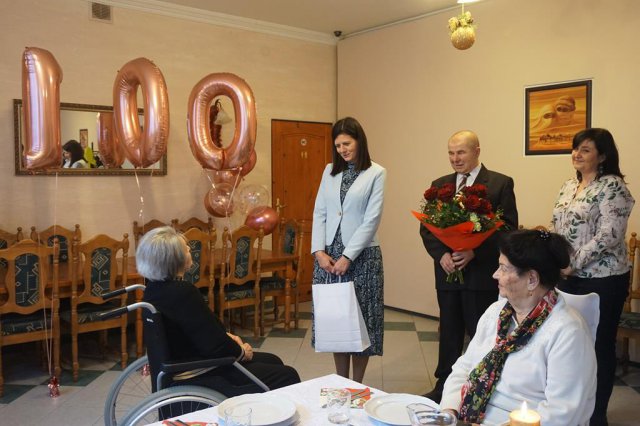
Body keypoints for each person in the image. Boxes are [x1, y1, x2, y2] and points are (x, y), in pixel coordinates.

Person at [440, 229, 597, 425]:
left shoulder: (568, 332)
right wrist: (449, 411)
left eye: (503, 268)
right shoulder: (496, 312)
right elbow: (464, 367)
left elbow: (562, 412)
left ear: (531, 279)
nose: (495, 274)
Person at [138, 226, 300, 394]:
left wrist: (228, 338)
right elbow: (215, 346)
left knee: (273, 360)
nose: (189, 249)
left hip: (183, 361)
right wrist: (241, 352)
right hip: (198, 371)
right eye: (185, 248)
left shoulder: (153, 289)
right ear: (173, 258)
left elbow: (201, 331)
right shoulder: (182, 292)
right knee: (287, 375)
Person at [419, 130, 518, 402]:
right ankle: (443, 389)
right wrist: (441, 255)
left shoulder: (499, 184)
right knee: (449, 331)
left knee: (480, 333)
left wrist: (475, 251)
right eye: (451, 153)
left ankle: (479, 391)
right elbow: (427, 228)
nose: (455, 158)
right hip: (448, 272)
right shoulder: (439, 185)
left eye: (461, 152)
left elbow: (508, 229)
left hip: (481, 275)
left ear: (476, 151)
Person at [551, 128, 634, 426]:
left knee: (599, 346)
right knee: (570, 343)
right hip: (567, 276)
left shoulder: (613, 187)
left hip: (603, 278)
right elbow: (558, 227)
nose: (577, 154)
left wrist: (574, 263)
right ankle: (573, 410)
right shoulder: (567, 186)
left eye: (585, 149)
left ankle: (597, 415)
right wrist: (557, 260)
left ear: (602, 156)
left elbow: (609, 235)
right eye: (575, 149)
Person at [311, 116, 386, 383]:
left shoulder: (376, 172)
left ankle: (357, 384)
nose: (343, 149)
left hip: (362, 255)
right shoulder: (330, 170)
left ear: (359, 141)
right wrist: (318, 251)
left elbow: (371, 219)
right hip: (328, 257)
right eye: (338, 145)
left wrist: (348, 256)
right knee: (337, 320)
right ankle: (340, 381)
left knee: (361, 320)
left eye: (347, 143)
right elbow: (320, 211)